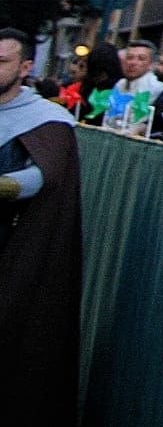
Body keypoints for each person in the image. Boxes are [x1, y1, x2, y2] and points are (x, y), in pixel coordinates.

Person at [0, 27, 80, 423]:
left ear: (26, 67)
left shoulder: (47, 120)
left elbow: (44, 177)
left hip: (11, 244)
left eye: (2, 62)